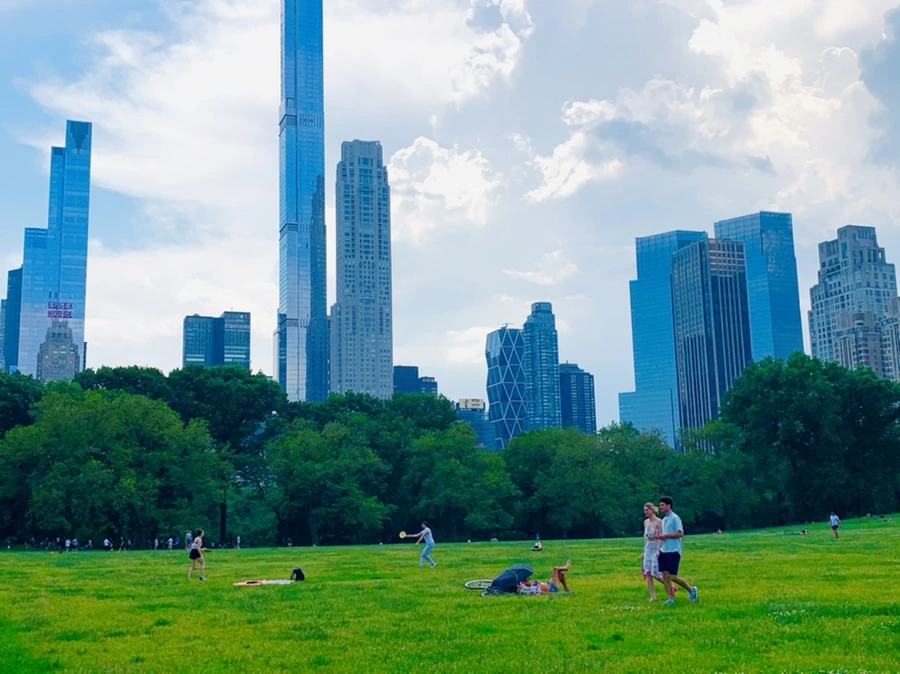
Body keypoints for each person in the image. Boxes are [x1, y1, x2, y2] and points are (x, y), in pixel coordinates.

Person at [654, 496, 699, 606]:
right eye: (660, 505)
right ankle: (670, 599)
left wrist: (665, 536)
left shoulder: (675, 518)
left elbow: (680, 533)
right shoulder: (664, 520)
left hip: (673, 550)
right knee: (665, 575)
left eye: (662, 505)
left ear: (668, 505)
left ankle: (691, 590)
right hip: (664, 550)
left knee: (672, 576)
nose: (660, 507)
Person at [642, 502, 665, 602]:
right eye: (644, 510)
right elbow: (645, 538)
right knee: (647, 572)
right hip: (648, 548)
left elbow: (661, 537)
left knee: (655, 572)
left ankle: (670, 586)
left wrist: (659, 550)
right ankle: (653, 596)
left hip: (656, 547)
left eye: (647, 510)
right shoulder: (646, 522)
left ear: (652, 510)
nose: (645, 512)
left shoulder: (659, 522)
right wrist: (644, 551)